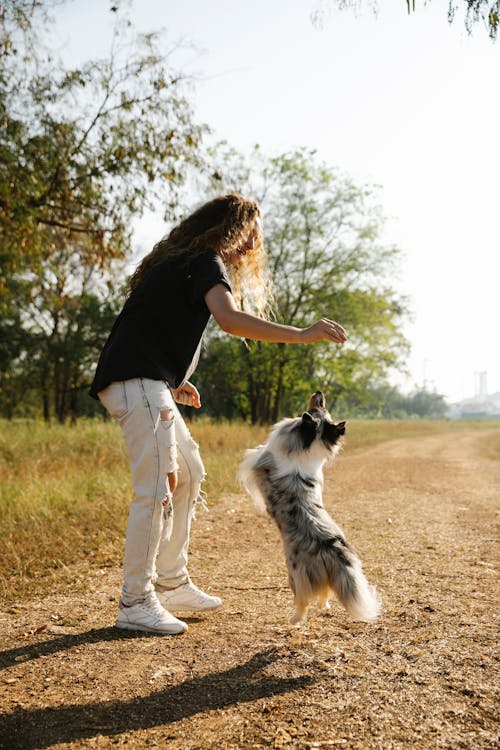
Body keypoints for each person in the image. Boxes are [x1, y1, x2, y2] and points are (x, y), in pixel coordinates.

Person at [90, 193, 347, 635]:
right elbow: (228, 319)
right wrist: (305, 335)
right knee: (154, 489)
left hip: (147, 381)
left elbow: (149, 327)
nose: (251, 247)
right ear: (230, 229)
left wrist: (170, 379)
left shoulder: (183, 261)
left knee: (188, 472)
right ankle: (135, 600)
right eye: (249, 235)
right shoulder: (207, 262)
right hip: (138, 383)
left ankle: (171, 581)